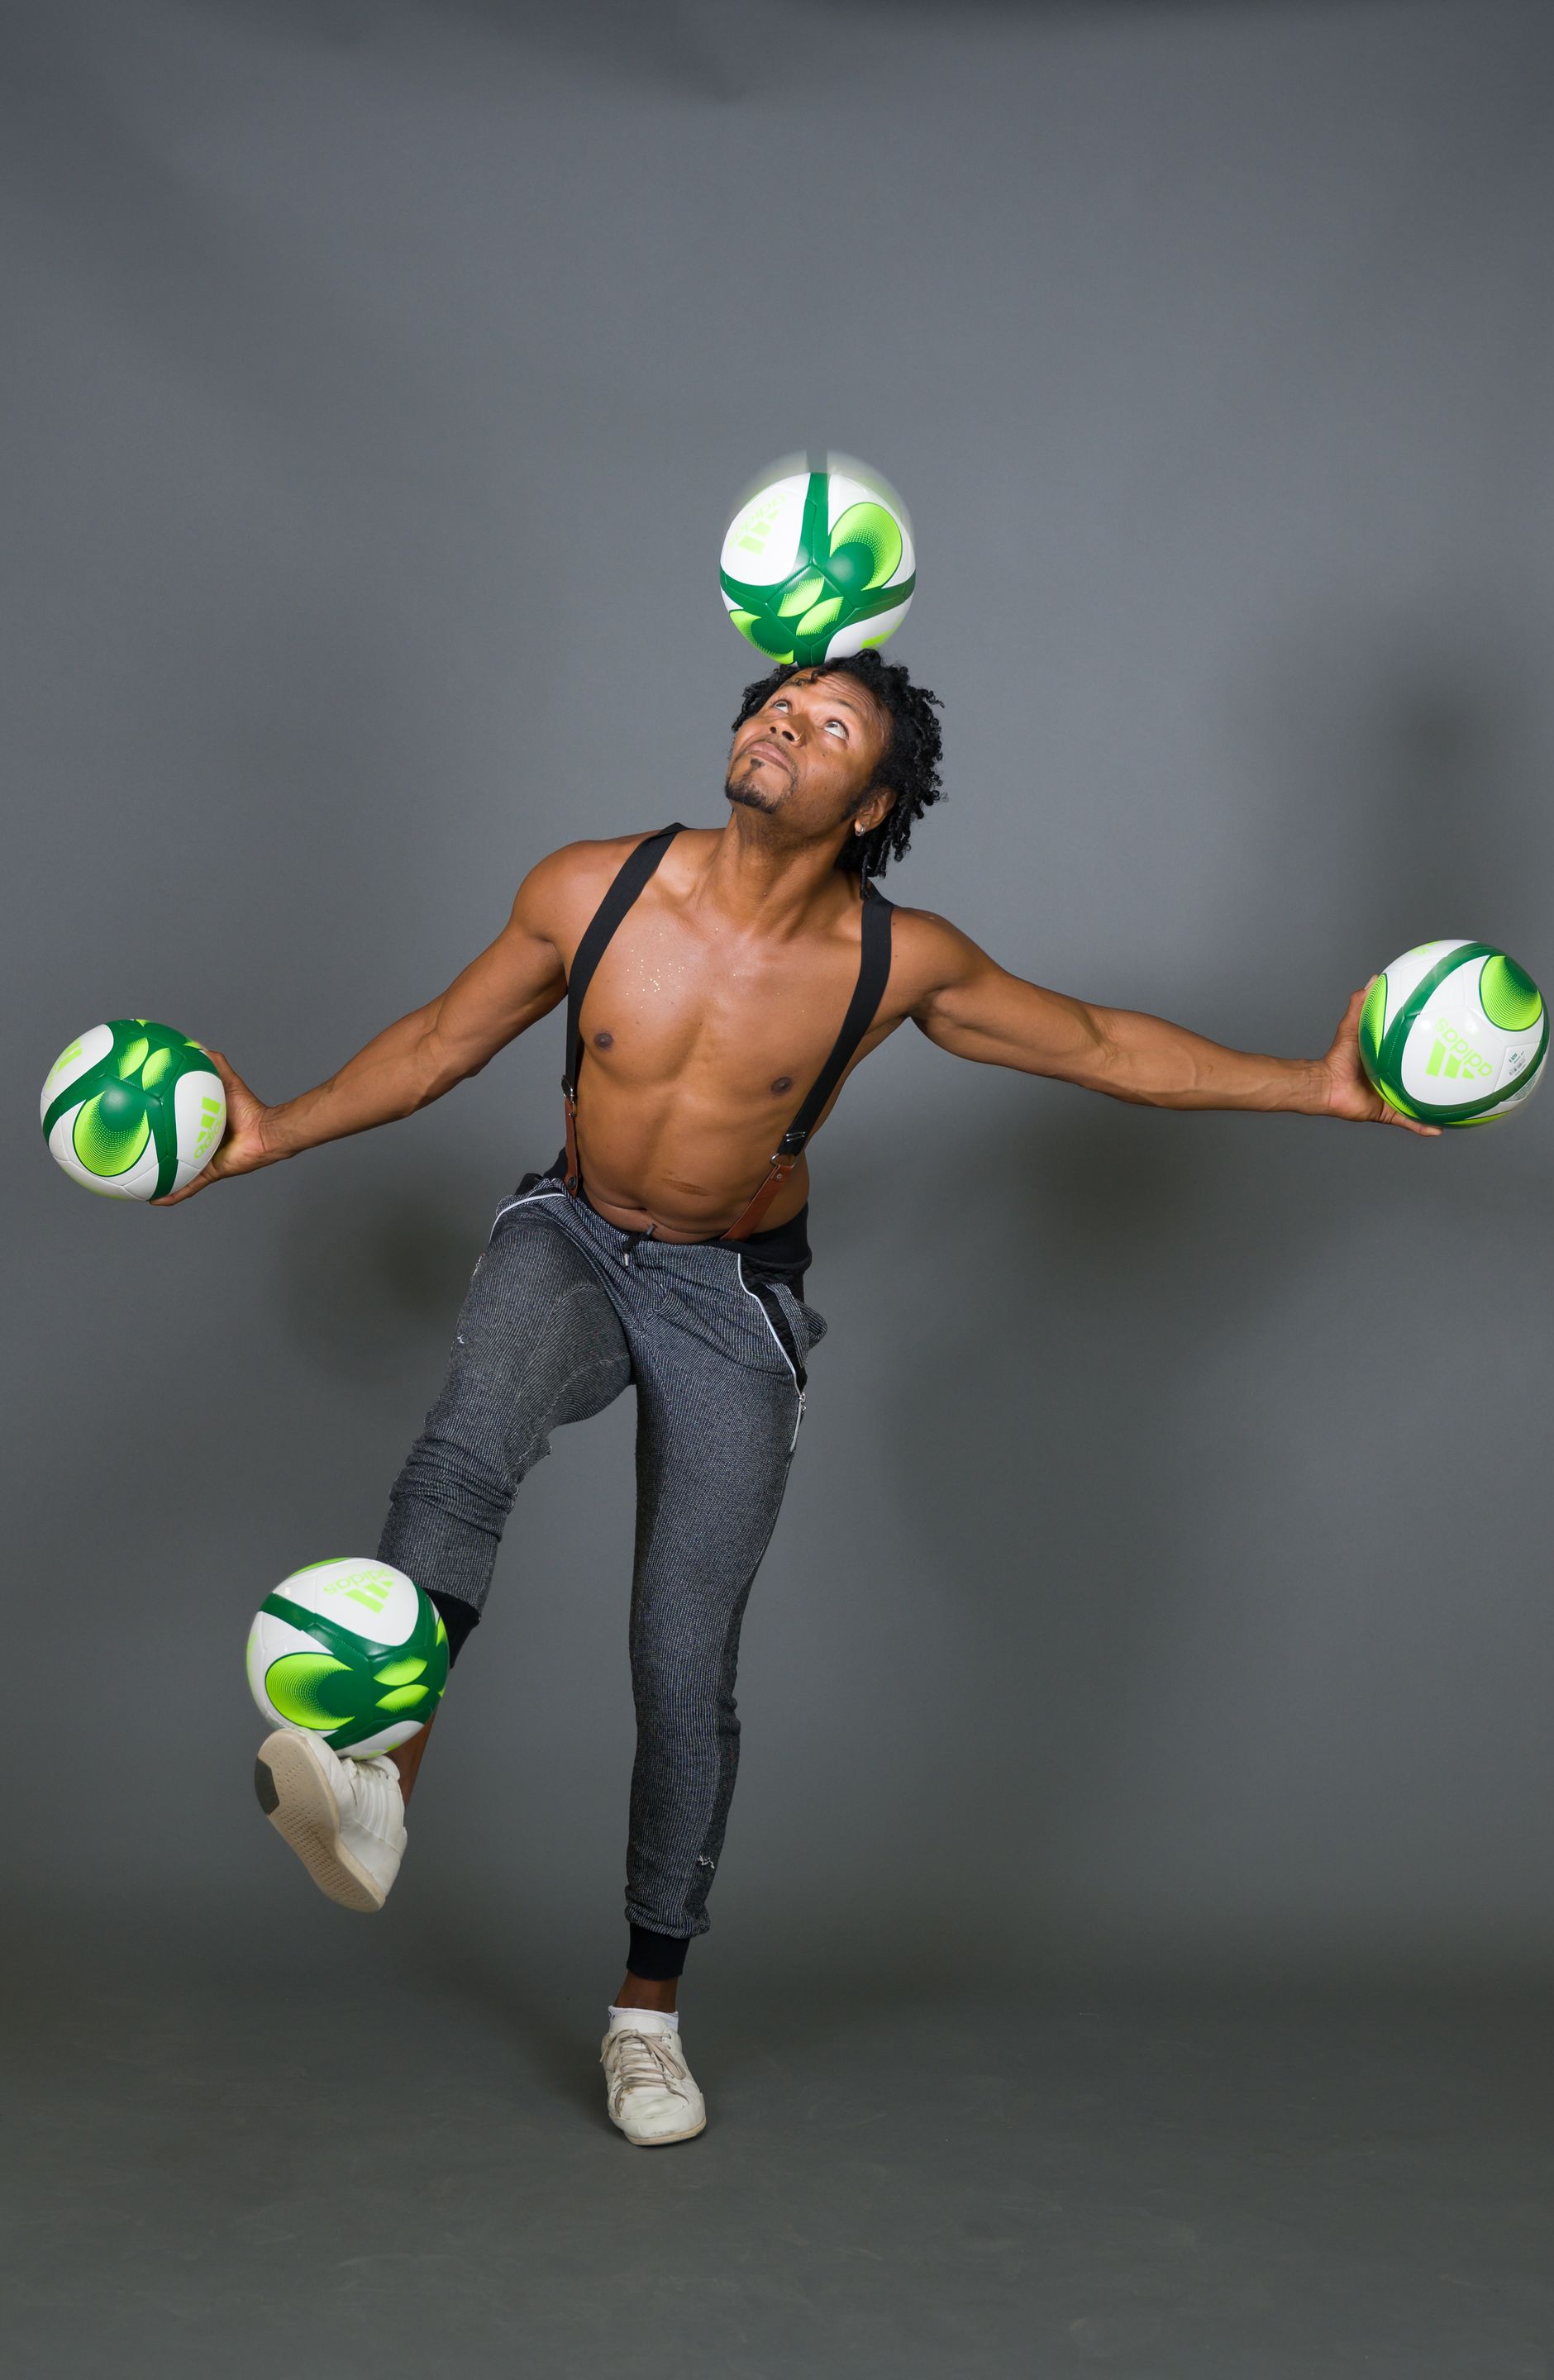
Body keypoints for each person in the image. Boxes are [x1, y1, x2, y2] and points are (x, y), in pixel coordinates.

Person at [161, 651, 1436, 2147]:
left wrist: (1322, 1087)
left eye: (831, 725)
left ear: (871, 803)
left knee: (681, 1660)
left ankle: (647, 2019)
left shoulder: (900, 963)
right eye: (780, 701)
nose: (785, 720)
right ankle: (376, 1780)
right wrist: (270, 1135)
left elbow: (1099, 1047)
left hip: (733, 1296)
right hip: (571, 1240)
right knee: (468, 1439)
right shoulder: (590, 888)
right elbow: (445, 1042)